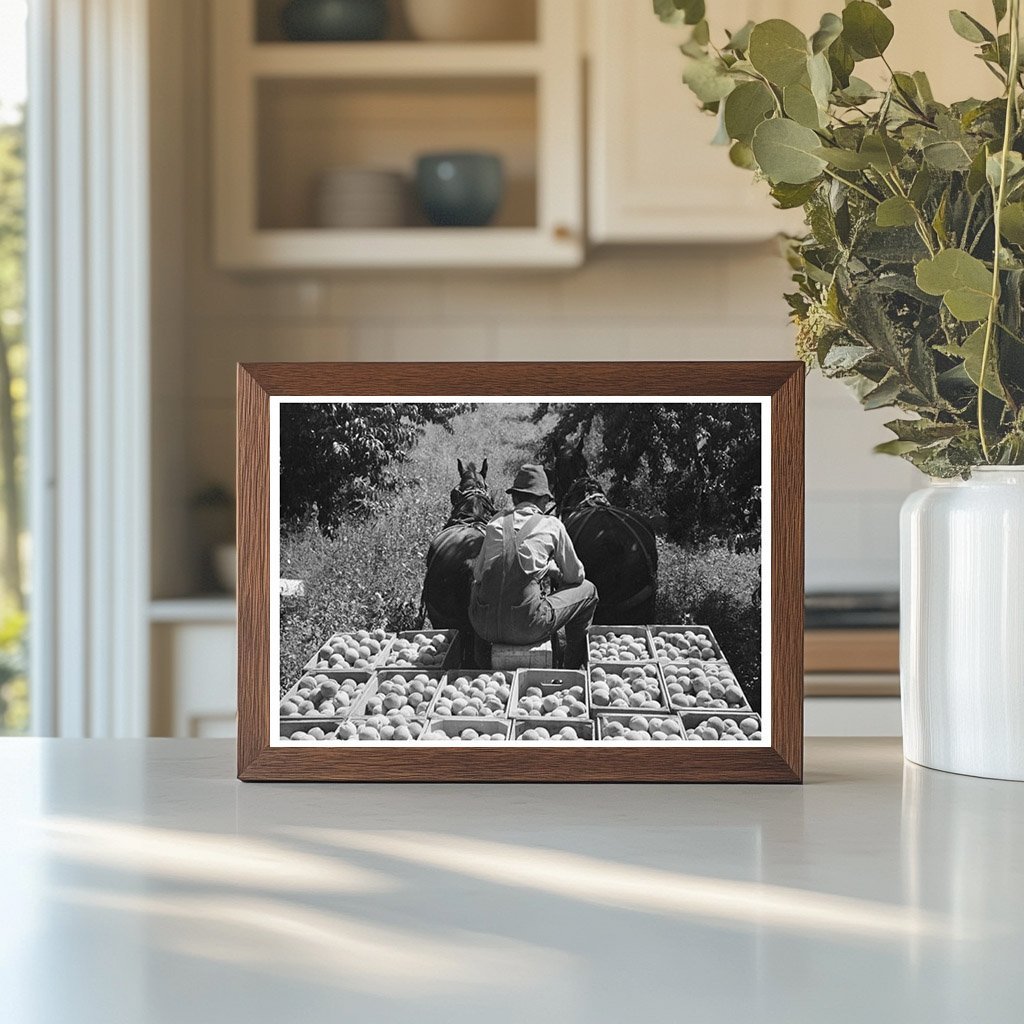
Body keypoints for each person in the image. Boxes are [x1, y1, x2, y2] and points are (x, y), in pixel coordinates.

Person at [469, 464, 598, 669]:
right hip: (527, 628)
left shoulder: (495, 522)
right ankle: (572, 665)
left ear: (514, 498)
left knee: (476, 587)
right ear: (545, 500)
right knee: (589, 590)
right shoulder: (552, 525)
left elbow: (478, 574)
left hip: (483, 625)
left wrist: (544, 568)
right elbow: (576, 576)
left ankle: (479, 661)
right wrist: (553, 570)